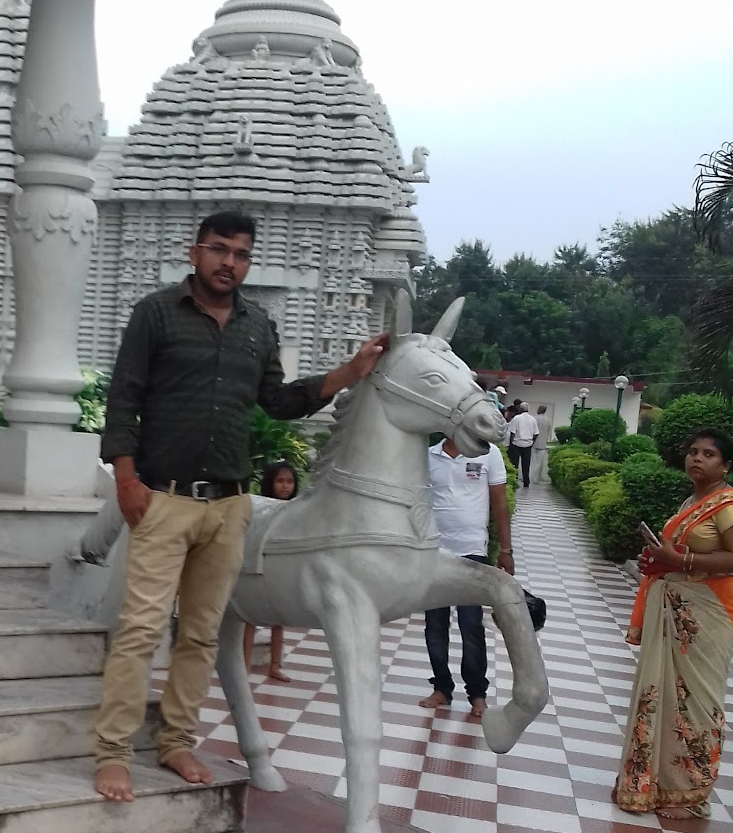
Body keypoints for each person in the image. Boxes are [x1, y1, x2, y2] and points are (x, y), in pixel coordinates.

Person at [94, 209, 389, 801]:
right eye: (219, 249)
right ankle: (113, 752)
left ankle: (177, 742)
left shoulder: (258, 326)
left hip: (229, 507)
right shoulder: (156, 313)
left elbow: (278, 400)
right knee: (141, 631)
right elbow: (124, 397)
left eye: (241, 254)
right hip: (164, 499)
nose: (229, 262)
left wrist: (350, 372)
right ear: (195, 252)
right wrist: (125, 479)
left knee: (202, 635)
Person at [613, 429, 733, 820]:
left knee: (698, 702)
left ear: (725, 465)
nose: (697, 459)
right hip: (676, 607)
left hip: (707, 615)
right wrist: (658, 560)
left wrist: (678, 560)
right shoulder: (692, 501)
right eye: (693, 451)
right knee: (664, 696)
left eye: (708, 454)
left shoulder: (732, 504)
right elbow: (679, 553)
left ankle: (691, 794)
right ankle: (656, 785)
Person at [419, 435, 514, 721]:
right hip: (434, 552)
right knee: (435, 625)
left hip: (472, 551)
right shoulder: (428, 456)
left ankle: (477, 693)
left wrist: (506, 550)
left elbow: (499, 501)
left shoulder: (488, 453)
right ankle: (442, 687)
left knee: (470, 624)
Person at [243, 459, 300, 682]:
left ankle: (275, 665)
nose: (285, 486)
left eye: (289, 481)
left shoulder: (296, 509)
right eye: (280, 481)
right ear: (270, 482)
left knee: (278, 619)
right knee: (250, 618)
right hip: (258, 565)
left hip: (280, 569)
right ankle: (244, 665)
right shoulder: (260, 507)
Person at [509, 403, 539, 487]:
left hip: (516, 444)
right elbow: (536, 433)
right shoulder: (532, 419)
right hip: (528, 445)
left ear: (520, 409)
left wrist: (511, 442)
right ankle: (526, 482)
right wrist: (532, 442)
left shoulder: (516, 418)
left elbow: (512, 432)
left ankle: (514, 481)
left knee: (514, 464)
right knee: (526, 465)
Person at [531, 404, 552, 484]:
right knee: (539, 463)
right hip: (542, 443)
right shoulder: (547, 420)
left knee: (532, 461)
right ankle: (536, 479)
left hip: (533, 443)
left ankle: (530, 477)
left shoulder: (534, 419)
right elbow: (548, 431)